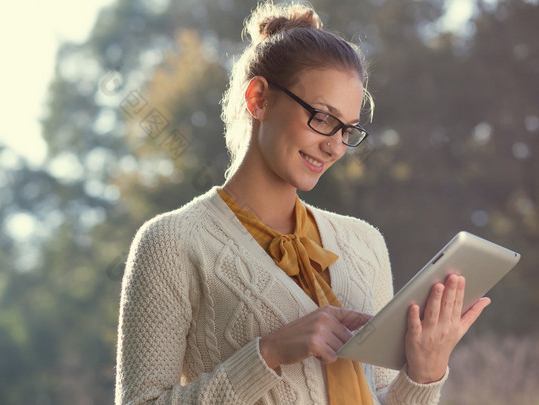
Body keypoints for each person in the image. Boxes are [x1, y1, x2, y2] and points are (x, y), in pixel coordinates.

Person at [115, 2, 491, 404]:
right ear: (259, 99)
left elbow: (379, 395)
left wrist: (425, 372)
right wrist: (268, 353)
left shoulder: (365, 245)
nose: (334, 146)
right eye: (323, 118)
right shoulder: (171, 243)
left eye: (347, 130)